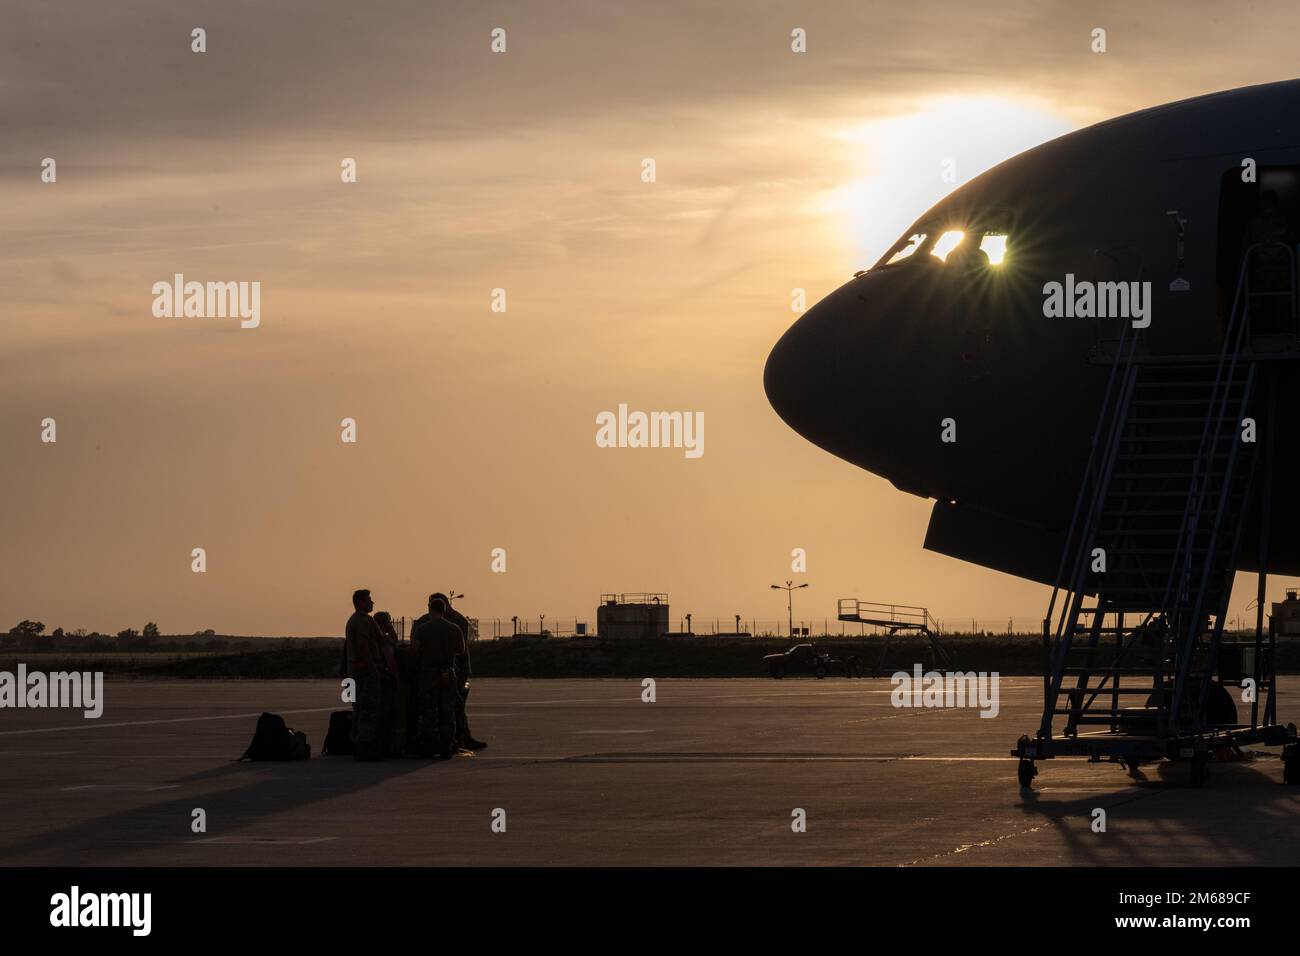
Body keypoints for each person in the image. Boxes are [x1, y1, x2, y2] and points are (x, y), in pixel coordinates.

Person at [432, 592, 488, 750]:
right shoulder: (434, 621)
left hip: (457, 668)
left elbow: (459, 649)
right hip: (440, 668)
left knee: (457, 703)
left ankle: (462, 736)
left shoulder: (457, 621)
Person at [410, 595, 462, 758]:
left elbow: (414, 651)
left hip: (428, 673)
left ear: (429, 610)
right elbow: (461, 650)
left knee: (428, 710)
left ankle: (428, 744)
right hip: (447, 672)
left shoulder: (422, 629)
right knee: (447, 709)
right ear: (444, 610)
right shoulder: (454, 628)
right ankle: (447, 744)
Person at [345, 589, 389, 761]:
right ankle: (365, 747)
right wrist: (373, 668)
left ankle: (357, 743)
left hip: (354, 672)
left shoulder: (355, 620)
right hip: (364, 673)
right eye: (369, 599)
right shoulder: (363, 621)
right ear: (361, 602)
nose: (372, 603)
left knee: (358, 708)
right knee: (369, 708)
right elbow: (363, 646)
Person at [373, 611, 403, 757]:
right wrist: (397, 679)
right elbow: (390, 660)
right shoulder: (383, 639)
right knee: (388, 712)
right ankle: (386, 746)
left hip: (361, 680)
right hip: (383, 681)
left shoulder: (369, 637)